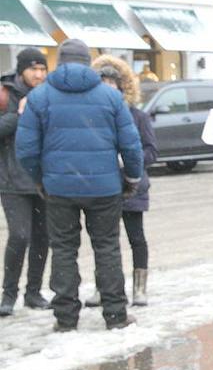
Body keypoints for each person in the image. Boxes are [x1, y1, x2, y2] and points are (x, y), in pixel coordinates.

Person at [16, 39, 144, 331]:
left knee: (63, 249)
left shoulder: (40, 97)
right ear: (88, 63)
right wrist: (132, 178)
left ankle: (65, 318)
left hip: (59, 189)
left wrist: (41, 178)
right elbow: (131, 145)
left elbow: (25, 149)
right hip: (105, 188)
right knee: (107, 247)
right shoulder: (109, 97)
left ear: (59, 62)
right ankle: (115, 314)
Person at [84, 56, 158, 308]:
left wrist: (129, 161)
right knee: (105, 240)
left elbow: (151, 151)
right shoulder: (93, 117)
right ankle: (102, 286)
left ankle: (139, 288)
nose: (108, 87)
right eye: (102, 82)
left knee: (136, 238)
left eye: (111, 82)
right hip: (103, 187)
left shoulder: (137, 117)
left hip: (132, 187)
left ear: (122, 85)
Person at [0, 48, 51, 317]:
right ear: (22, 71)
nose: (39, 74)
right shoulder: (5, 94)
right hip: (11, 179)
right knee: (20, 236)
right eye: (34, 69)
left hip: (42, 179)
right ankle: (8, 295)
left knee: (43, 238)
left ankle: (34, 292)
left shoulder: (48, 94)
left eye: (43, 69)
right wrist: (20, 115)